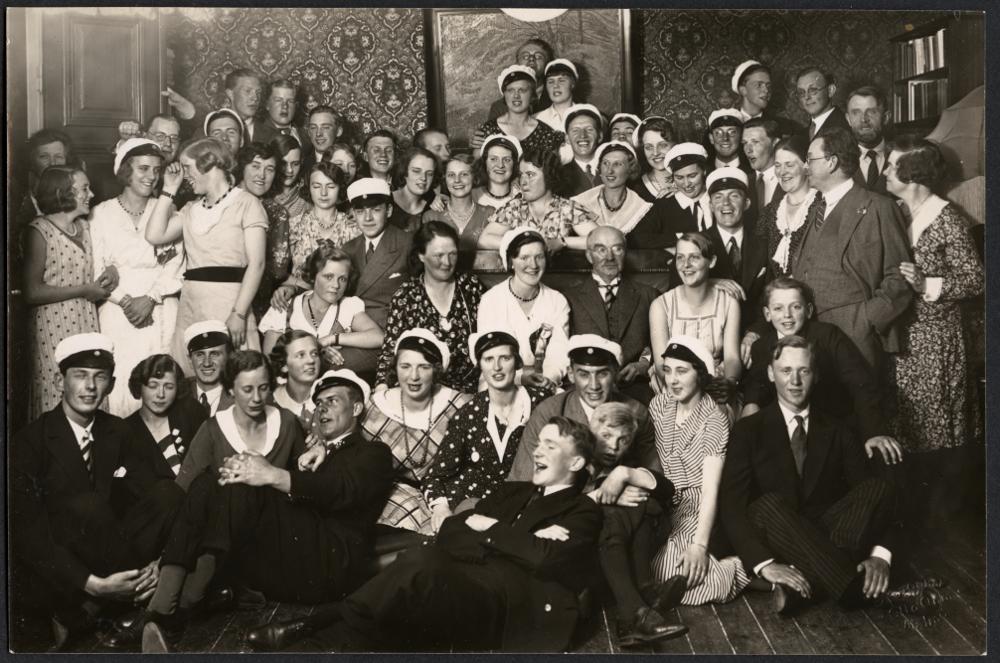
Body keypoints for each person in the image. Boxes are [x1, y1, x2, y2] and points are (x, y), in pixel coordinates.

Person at [288, 416, 602, 653]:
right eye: (539, 443)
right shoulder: (513, 491)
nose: (538, 451)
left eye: (551, 446)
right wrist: (518, 540)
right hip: (466, 581)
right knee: (407, 601)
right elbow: (452, 529)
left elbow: (545, 558)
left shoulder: (582, 509)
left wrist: (491, 528)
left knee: (420, 566)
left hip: (507, 606)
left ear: (576, 462)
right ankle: (318, 646)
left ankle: (319, 624)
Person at [140, 369, 393, 653]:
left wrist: (272, 474)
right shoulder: (314, 451)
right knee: (208, 482)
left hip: (329, 566)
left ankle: (174, 610)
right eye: (319, 403)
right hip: (287, 562)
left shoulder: (375, 453)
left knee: (242, 486)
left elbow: (341, 489)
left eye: (332, 401)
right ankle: (163, 609)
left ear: (356, 408)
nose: (322, 409)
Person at [718, 336, 932, 616]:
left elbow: (869, 497)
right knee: (769, 505)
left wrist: (880, 555)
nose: (795, 381)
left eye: (803, 371)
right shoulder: (748, 430)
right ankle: (864, 592)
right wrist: (764, 564)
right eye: (786, 371)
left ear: (816, 375)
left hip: (825, 535)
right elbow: (731, 506)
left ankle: (812, 582)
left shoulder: (838, 429)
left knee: (880, 487)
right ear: (771, 374)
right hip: (775, 531)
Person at [11, 334, 182, 650]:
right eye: (80, 375)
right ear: (59, 381)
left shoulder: (118, 431)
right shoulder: (31, 441)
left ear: (111, 385)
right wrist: (94, 585)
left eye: (99, 377)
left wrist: (160, 563)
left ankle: (109, 606)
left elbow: (155, 496)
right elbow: (29, 535)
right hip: (68, 571)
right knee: (89, 506)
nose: (90, 387)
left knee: (168, 492)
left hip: (114, 552)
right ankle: (120, 606)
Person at [886, 137, 984, 530]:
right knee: (908, 422)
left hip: (938, 340)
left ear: (913, 174)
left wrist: (926, 283)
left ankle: (941, 521)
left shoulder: (948, 219)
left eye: (892, 165)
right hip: (903, 337)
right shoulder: (896, 212)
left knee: (938, 425)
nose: (885, 171)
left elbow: (976, 279)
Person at [741, 278, 903, 467]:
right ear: (767, 314)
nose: (787, 315)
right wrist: (751, 403)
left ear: (808, 310)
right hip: (788, 429)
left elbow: (860, 383)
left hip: (833, 425)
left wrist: (874, 431)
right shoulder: (761, 346)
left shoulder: (828, 336)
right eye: (778, 308)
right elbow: (756, 383)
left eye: (795, 307)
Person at [790, 126, 913, 370]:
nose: (805, 167)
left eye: (810, 159)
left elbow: (900, 277)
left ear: (831, 162)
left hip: (856, 337)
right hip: (811, 333)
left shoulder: (879, 207)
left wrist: (867, 319)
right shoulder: (816, 208)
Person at [146, 137, 268, 373]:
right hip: (191, 304)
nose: (184, 175)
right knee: (191, 375)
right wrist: (169, 190)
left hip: (230, 304)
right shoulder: (191, 208)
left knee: (235, 373)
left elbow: (258, 264)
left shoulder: (246, 203)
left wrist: (239, 313)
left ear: (208, 163)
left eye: (187, 167)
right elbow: (154, 234)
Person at [649, 336, 750, 604]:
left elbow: (710, 490)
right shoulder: (659, 405)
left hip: (696, 506)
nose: (673, 380)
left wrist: (700, 546)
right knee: (646, 565)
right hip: (663, 501)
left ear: (701, 374)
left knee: (675, 570)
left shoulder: (714, 418)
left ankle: (739, 569)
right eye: (668, 371)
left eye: (682, 371)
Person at [90, 139, 184, 416]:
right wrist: (126, 301)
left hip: (161, 307)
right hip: (118, 310)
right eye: (143, 168)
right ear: (125, 171)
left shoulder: (168, 210)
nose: (151, 176)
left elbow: (176, 264)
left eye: (156, 170)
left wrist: (151, 298)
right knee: (120, 380)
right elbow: (96, 267)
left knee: (160, 379)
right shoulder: (100, 213)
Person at [583, 401, 687, 647]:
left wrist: (625, 475)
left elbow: (667, 490)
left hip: (620, 546)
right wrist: (605, 494)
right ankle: (641, 599)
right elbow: (561, 502)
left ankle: (636, 608)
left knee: (645, 503)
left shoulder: (627, 464)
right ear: (591, 433)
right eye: (606, 436)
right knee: (613, 514)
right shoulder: (578, 460)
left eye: (623, 440)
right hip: (584, 550)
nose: (613, 447)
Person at [424, 331, 549, 531]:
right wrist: (440, 507)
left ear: (517, 363)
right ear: (480, 366)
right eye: (488, 359)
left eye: (505, 358)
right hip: (475, 504)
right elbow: (436, 475)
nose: (497, 367)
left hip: (527, 501)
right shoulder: (468, 413)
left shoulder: (542, 402)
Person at [361, 329, 473, 535]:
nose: (413, 376)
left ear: (436, 370)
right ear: (395, 367)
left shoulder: (460, 405)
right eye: (405, 366)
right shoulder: (375, 408)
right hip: (394, 497)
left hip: (449, 494)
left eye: (424, 367)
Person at [508, 335, 659, 482]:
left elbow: (655, 478)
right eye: (584, 374)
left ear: (615, 373)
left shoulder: (636, 412)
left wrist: (632, 485)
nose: (594, 385)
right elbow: (521, 483)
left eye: (602, 373)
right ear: (571, 374)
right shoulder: (548, 412)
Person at [23, 165, 111, 419]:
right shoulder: (39, 230)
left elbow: (102, 262)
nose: (91, 194)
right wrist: (84, 289)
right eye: (84, 189)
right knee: (56, 388)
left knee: (89, 387)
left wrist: (111, 270)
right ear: (63, 193)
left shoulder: (85, 227)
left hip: (86, 321)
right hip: (51, 326)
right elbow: (32, 292)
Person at [174, 350, 308, 493]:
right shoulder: (212, 429)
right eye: (247, 390)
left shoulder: (287, 421)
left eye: (263, 388)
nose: (256, 398)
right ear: (231, 389)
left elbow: (307, 481)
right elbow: (182, 488)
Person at [375, 222, 484, 394]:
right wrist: (382, 387)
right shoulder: (406, 296)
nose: (447, 262)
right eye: (438, 255)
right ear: (421, 255)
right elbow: (390, 351)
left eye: (452, 254)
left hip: (472, 389)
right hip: (425, 391)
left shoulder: (471, 286)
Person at [260, 243, 383, 379]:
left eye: (342, 279)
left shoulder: (348, 306)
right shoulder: (284, 305)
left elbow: (378, 337)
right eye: (328, 277)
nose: (336, 285)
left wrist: (329, 340)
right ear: (313, 276)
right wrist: (317, 350)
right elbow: (271, 364)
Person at [563, 226, 658, 395]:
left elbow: (658, 346)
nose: (609, 257)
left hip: (635, 388)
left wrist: (644, 365)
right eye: (601, 249)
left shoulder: (649, 295)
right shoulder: (568, 298)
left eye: (617, 249)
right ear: (588, 255)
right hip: (585, 390)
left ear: (625, 253)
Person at [477, 228, 571, 389]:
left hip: (544, 383)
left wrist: (548, 379)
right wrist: (522, 378)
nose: (533, 265)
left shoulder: (557, 300)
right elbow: (491, 358)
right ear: (511, 262)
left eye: (539, 257)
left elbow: (559, 354)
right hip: (500, 383)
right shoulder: (491, 300)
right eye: (524, 257)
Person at [649, 232, 741, 391]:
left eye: (694, 257)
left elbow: (732, 358)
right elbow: (660, 364)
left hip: (716, 382)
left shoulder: (729, 303)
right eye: (680, 258)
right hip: (672, 383)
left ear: (711, 261)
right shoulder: (660, 305)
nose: (686, 264)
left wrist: (729, 383)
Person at [479, 146, 599, 252]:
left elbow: (600, 239)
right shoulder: (515, 207)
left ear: (548, 177)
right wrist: (525, 245)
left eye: (530, 175)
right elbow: (484, 240)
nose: (523, 182)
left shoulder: (567, 208)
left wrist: (562, 242)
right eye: (521, 175)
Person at [340, 177, 413, 329]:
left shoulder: (408, 244)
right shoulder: (348, 249)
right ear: (353, 214)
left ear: (389, 211)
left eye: (375, 210)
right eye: (360, 211)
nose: (368, 218)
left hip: (393, 327)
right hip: (352, 327)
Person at [703, 167, 768, 331]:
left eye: (734, 196)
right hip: (709, 330)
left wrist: (755, 333)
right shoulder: (696, 243)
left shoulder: (763, 245)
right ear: (710, 205)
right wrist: (710, 282)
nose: (726, 203)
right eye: (718, 197)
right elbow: (677, 286)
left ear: (746, 203)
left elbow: (771, 297)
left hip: (753, 332)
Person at [124, 354, 207, 480]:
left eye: (169, 387)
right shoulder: (125, 430)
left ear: (178, 388)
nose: (161, 394)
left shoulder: (190, 413)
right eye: (153, 386)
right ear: (139, 386)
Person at [281, 161, 358, 292]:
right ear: (309, 188)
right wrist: (300, 285)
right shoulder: (295, 225)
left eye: (331, 186)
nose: (323, 193)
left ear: (340, 189)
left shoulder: (353, 227)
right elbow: (277, 272)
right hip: (300, 295)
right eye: (316, 186)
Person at [235, 142, 292, 320]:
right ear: (242, 167)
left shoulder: (277, 213)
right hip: (219, 291)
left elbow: (278, 270)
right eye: (255, 166)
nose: (262, 175)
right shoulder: (223, 202)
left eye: (270, 169)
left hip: (259, 299)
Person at [628, 143, 712, 253]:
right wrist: (678, 237)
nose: (686, 184)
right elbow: (636, 238)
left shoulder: (717, 199)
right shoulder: (663, 205)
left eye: (692, 176)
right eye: (679, 178)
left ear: (704, 171)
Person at [755, 134, 818, 278]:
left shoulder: (823, 206)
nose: (782, 172)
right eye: (777, 165)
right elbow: (757, 263)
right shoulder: (770, 212)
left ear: (806, 166)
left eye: (789, 165)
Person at [476, 65, 564, 159]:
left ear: (532, 95)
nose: (516, 96)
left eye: (522, 90)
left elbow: (550, 165)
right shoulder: (489, 130)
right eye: (510, 90)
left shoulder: (545, 133)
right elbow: (479, 164)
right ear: (504, 95)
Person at [423, 154, 494, 265]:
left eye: (464, 174)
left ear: (474, 178)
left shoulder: (490, 214)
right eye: (451, 175)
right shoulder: (431, 217)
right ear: (445, 179)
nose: (457, 180)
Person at [573, 141, 651, 234]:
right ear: (599, 168)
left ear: (630, 169)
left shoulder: (641, 207)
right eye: (605, 163)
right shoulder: (581, 202)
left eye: (617, 164)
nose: (609, 171)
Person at [15, 128, 79, 229]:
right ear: (32, 162)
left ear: (66, 161)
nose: (52, 163)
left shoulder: (77, 198)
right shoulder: (17, 199)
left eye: (59, 157)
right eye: (44, 157)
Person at [485, 37, 553, 122]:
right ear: (517, 63)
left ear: (547, 64)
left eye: (538, 56)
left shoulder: (557, 100)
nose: (531, 59)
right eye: (525, 56)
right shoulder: (500, 107)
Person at [730, 59, 802, 138]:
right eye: (759, 85)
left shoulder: (785, 127)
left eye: (768, 86)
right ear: (743, 90)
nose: (766, 90)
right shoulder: (729, 123)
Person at [267, 330, 322, 432]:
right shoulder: (268, 402)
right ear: (284, 365)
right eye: (301, 355)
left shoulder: (330, 398)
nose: (311, 360)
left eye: (314, 353)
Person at [181, 320, 234, 418]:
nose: (207, 363)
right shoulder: (178, 394)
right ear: (190, 360)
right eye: (200, 355)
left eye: (214, 354)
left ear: (229, 357)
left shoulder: (239, 396)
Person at [846, 86, 892, 193]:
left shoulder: (902, 156)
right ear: (848, 119)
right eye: (856, 113)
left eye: (872, 112)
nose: (864, 119)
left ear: (886, 117)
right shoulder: (838, 160)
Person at [558, 104, 604, 196]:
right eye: (575, 130)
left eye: (589, 129)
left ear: (600, 136)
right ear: (567, 138)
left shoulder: (613, 169)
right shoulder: (559, 175)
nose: (582, 135)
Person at [629, 116, 678, 203]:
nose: (655, 153)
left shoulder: (692, 181)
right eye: (649, 147)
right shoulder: (635, 189)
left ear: (675, 145)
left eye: (663, 145)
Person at [389, 146, 437, 232]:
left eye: (429, 174)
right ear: (404, 172)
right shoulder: (386, 201)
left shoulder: (433, 206)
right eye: (416, 171)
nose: (423, 178)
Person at [795, 67, 849, 141]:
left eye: (812, 90)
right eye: (801, 92)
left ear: (830, 91)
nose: (806, 97)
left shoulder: (845, 127)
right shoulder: (800, 135)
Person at [742, 118, 783, 212]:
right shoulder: (744, 182)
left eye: (755, 142)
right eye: (745, 143)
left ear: (775, 143)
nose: (748, 150)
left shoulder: (791, 179)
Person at [473, 133, 521, 210]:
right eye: (493, 159)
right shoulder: (473, 196)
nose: (500, 165)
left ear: (514, 164)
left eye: (507, 160)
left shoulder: (522, 196)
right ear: (485, 163)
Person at [533, 59, 580, 132]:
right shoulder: (536, 119)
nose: (555, 86)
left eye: (561, 80)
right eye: (550, 81)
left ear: (572, 84)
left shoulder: (585, 116)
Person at [270, 134, 309, 220]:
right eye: (283, 164)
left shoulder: (307, 196)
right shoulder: (263, 194)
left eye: (295, 164)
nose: (290, 170)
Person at [223, 69, 268, 144]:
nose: (255, 98)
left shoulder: (272, 135)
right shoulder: (211, 131)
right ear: (230, 94)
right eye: (247, 91)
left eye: (258, 92)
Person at [705, 109, 753, 178]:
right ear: (711, 138)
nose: (725, 138)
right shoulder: (703, 172)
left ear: (741, 136)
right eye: (718, 133)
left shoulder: (753, 170)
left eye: (732, 132)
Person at [260, 78, 305, 147]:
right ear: (267, 104)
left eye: (290, 101)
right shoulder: (256, 135)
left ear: (296, 105)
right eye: (278, 100)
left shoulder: (306, 136)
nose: (285, 106)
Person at [302, 105, 344, 174]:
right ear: (309, 132)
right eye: (313, 128)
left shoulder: (349, 163)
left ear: (338, 131)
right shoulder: (301, 164)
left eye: (325, 127)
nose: (318, 133)